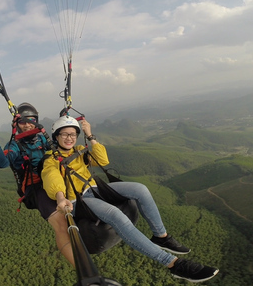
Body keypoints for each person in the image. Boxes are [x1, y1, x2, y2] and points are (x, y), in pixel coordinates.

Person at [41, 115, 220, 283]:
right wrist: (60, 197)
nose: (69, 138)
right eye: (64, 134)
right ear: (56, 137)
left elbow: (103, 160)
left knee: (140, 189)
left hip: (95, 187)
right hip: (78, 198)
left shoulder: (80, 151)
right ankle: (173, 264)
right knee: (116, 215)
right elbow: (52, 178)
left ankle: (161, 236)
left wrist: (90, 135)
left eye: (73, 134)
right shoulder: (52, 159)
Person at [0, 103, 75, 266]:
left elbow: (61, 146)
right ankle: (84, 271)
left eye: (30, 120)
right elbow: (3, 162)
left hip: (55, 180)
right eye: (22, 122)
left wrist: (64, 119)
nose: (27, 124)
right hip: (36, 189)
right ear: (16, 125)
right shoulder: (14, 146)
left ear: (36, 121)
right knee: (61, 224)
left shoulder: (43, 139)